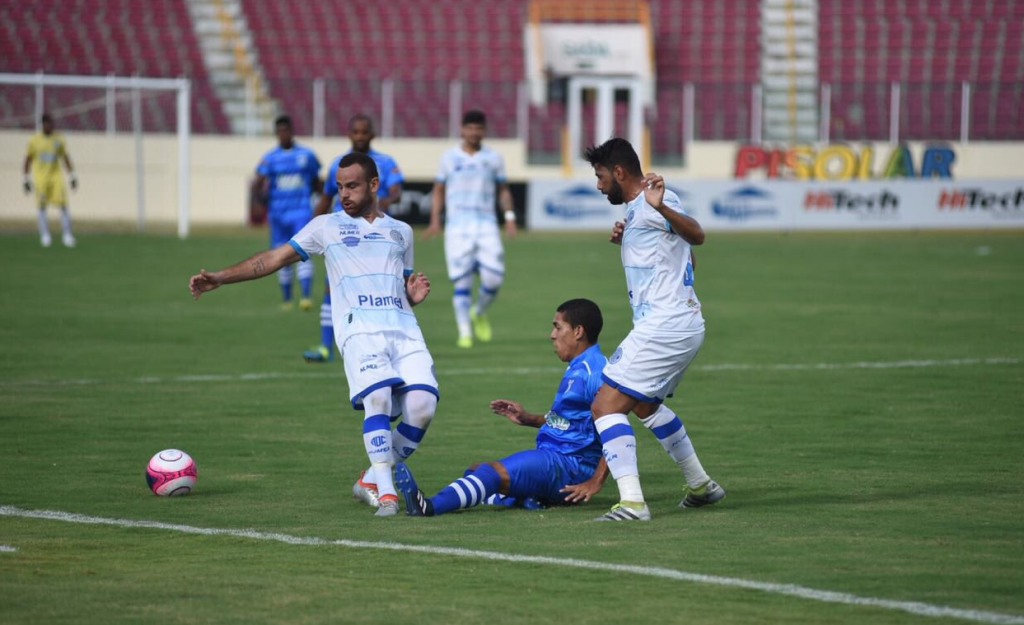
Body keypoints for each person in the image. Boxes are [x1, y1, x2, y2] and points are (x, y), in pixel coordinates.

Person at [190, 153, 439, 517]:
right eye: (339, 187)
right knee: (379, 400)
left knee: (422, 408)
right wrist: (221, 277)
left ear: (373, 185)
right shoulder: (326, 227)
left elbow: (399, 286)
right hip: (359, 331)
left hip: (404, 330)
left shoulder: (401, 232)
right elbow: (272, 259)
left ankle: (369, 478)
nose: (344, 194)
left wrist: (411, 297)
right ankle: (387, 495)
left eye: (352, 186)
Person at [584, 137, 725, 522]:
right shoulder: (636, 212)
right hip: (676, 323)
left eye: (600, 177)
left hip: (667, 324)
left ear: (618, 172)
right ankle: (701, 485)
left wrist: (661, 207)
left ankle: (632, 503)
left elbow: (696, 237)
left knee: (604, 405)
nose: (598, 186)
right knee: (645, 405)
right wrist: (628, 240)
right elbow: (684, 256)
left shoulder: (654, 199)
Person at [396, 298, 609, 517]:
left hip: (568, 466)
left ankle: (427, 506)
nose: (552, 335)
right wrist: (530, 419)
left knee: (490, 473)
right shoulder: (579, 366)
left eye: (557, 327)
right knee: (475, 470)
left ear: (578, 331)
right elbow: (571, 421)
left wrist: (594, 481)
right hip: (556, 458)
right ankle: (529, 497)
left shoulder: (596, 372)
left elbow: (617, 432)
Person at [304, 114, 404, 363]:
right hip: (344, 237)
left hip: (377, 238)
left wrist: (383, 203)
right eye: (355, 132)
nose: (360, 136)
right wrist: (311, 229)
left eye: (364, 132)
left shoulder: (385, 161)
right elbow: (326, 199)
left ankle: (385, 343)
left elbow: (396, 192)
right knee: (331, 288)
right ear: (349, 135)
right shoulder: (339, 164)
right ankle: (326, 347)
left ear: (372, 134)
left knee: (381, 290)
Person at [424, 109, 518, 349]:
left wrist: (509, 217)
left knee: (494, 279)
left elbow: (503, 190)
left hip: (486, 224)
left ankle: (479, 311)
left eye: (479, 128)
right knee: (462, 281)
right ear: (462, 129)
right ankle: (464, 331)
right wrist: (435, 220)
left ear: (484, 131)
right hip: (457, 226)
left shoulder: (493, 157)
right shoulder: (448, 158)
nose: (474, 132)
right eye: (470, 127)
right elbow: (438, 190)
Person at [252, 115, 322, 311]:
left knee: (303, 252)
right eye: (280, 131)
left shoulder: (306, 155)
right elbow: (257, 182)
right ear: (276, 133)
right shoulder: (270, 158)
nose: (284, 134)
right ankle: (287, 299)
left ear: (292, 131)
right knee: (280, 255)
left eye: (287, 130)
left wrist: (322, 203)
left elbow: (317, 182)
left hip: (301, 212)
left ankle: (306, 297)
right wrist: (258, 202)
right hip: (278, 215)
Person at [23, 113, 77, 248]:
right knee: (41, 207)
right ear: (43, 124)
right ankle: (45, 235)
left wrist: (72, 176)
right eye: (48, 124)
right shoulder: (34, 141)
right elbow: (28, 160)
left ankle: (67, 235)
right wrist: (25, 178)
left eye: (52, 124)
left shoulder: (58, 139)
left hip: (56, 177)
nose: (50, 126)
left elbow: (65, 157)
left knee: (63, 205)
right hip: (41, 178)